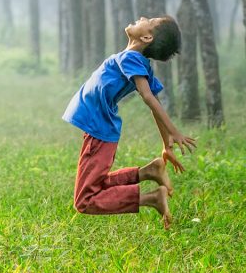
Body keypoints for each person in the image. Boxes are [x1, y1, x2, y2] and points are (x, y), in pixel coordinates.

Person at [62, 16, 196, 229]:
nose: (142, 17)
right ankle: (148, 172)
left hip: (99, 130)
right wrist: (166, 144)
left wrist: (174, 131)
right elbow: (155, 100)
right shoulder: (136, 60)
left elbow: (149, 97)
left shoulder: (132, 58)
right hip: (99, 129)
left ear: (146, 36)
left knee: (85, 200)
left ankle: (151, 199)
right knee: (96, 185)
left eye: (149, 20)